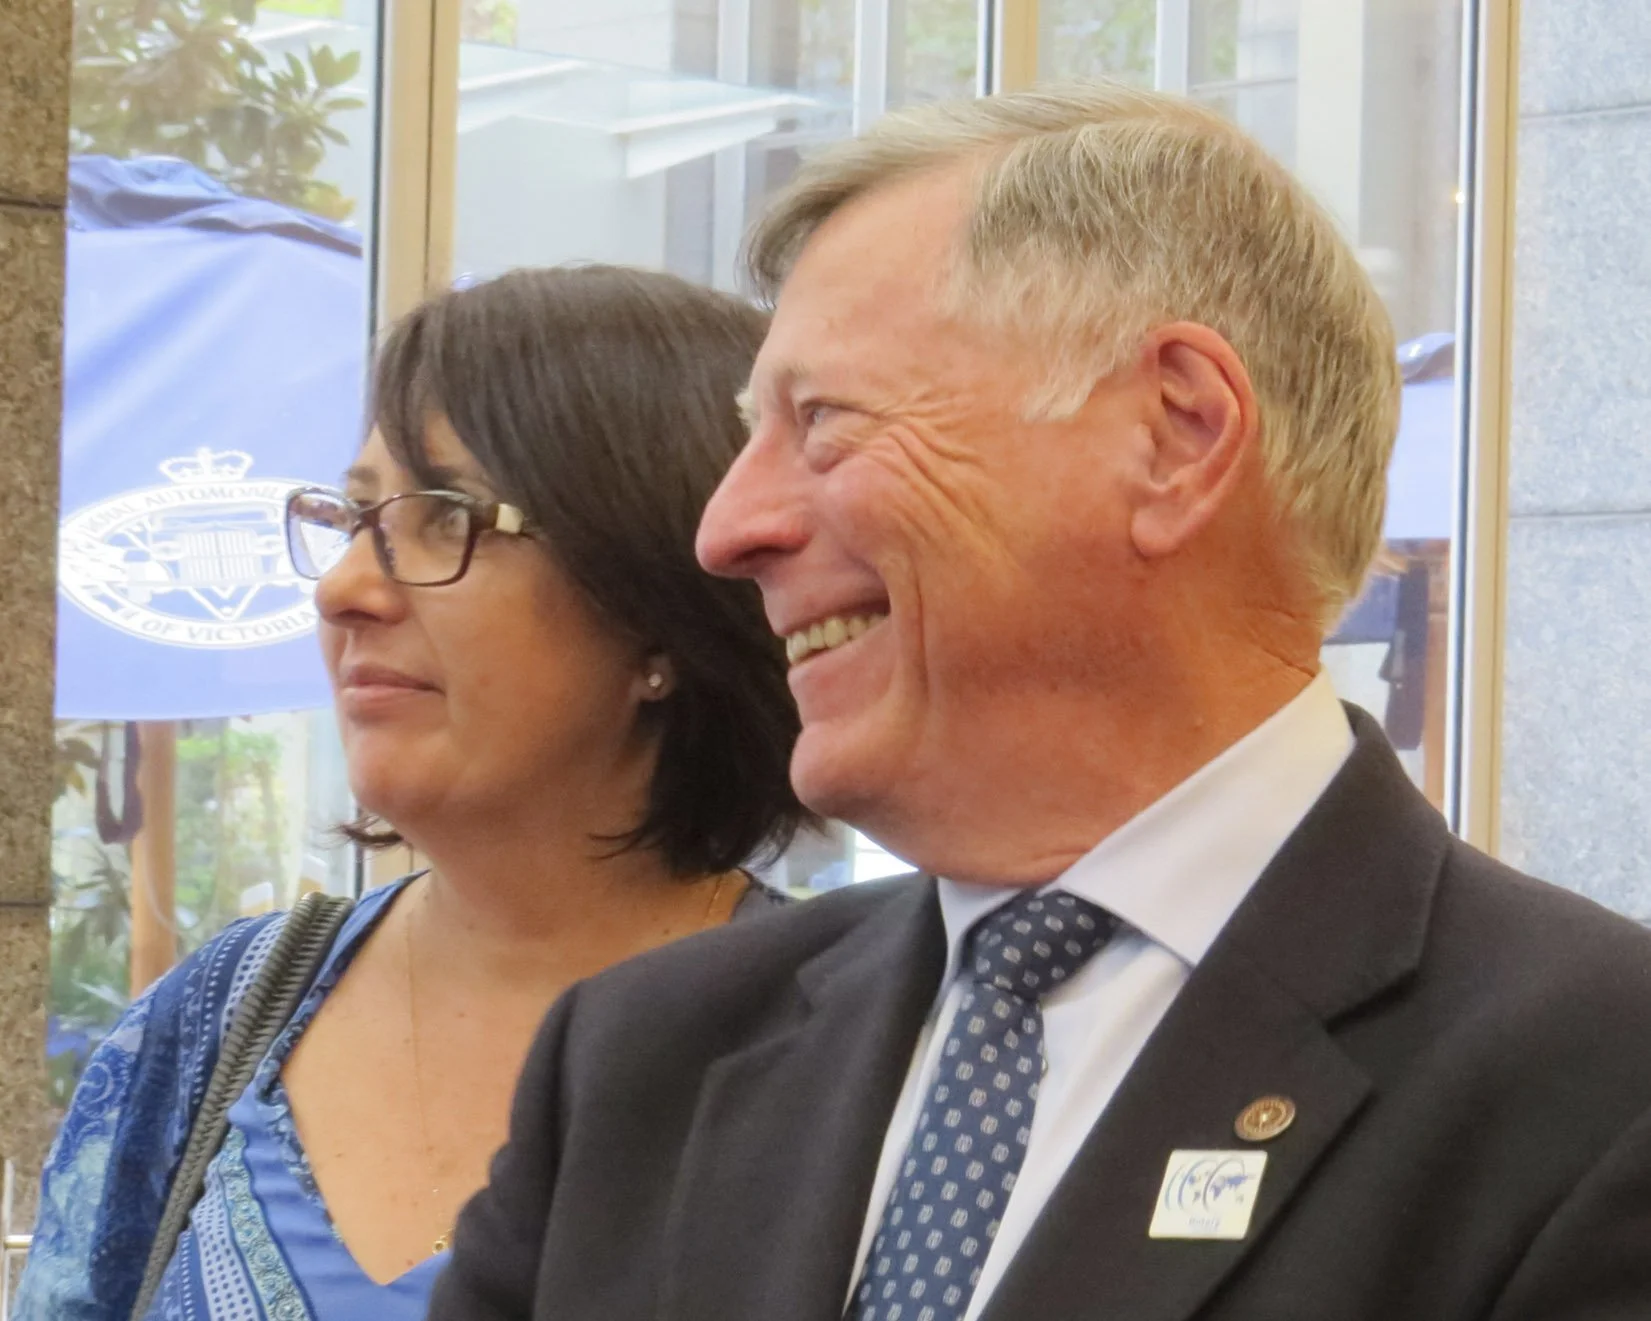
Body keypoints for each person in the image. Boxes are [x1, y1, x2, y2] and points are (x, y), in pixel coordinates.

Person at [428, 84, 1651, 1321]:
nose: (726, 530)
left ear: (1175, 435)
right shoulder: (640, 1066)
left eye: (825, 421)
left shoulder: (1592, 1088)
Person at [16, 265, 809, 1321]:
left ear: (659, 603)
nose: (343, 588)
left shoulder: (842, 1049)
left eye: (445, 519)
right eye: (352, 517)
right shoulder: (216, 1023)